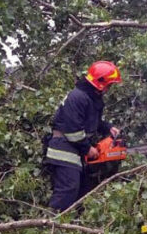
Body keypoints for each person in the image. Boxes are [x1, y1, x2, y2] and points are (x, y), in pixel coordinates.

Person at [44, 61, 121, 211]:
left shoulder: (91, 98)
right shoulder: (78, 97)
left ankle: (73, 222)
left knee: (83, 190)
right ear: (100, 82)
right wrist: (88, 149)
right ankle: (50, 222)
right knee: (68, 189)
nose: (109, 88)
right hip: (64, 149)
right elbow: (72, 129)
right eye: (109, 85)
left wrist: (108, 128)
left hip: (75, 150)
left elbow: (92, 122)